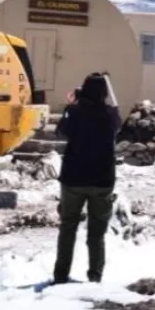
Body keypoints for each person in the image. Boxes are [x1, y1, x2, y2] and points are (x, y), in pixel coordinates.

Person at [53, 72, 122, 284]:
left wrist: (70, 106)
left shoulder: (74, 113)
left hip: (74, 178)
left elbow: (60, 133)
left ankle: (61, 275)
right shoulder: (111, 115)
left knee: (68, 228)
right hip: (102, 180)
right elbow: (118, 124)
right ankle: (95, 276)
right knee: (96, 233)